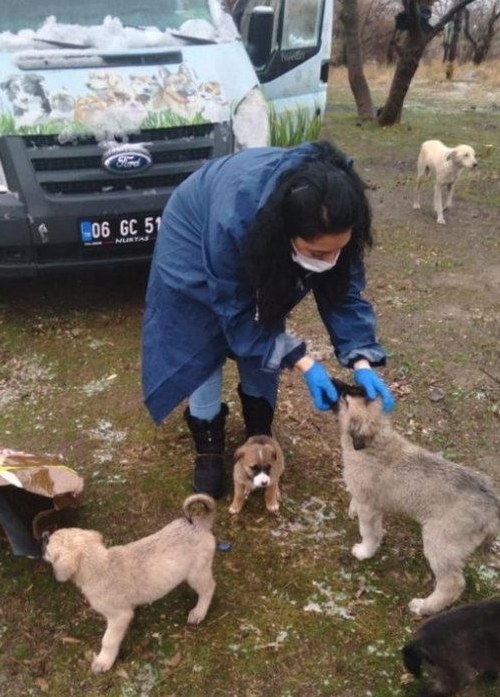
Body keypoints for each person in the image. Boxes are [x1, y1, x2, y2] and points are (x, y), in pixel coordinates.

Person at [141, 139, 394, 498]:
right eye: (317, 252)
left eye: (340, 247)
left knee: (268, 315)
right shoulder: (234, 218)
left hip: (253, 227)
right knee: (200, 332)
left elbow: (344, 292)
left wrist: (362, 359)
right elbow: (237, 312)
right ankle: (208, 438)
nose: (330, 259)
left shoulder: (340, 206)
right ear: (285, 233)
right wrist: (304, 362)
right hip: (197, 232)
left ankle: (259, 427)